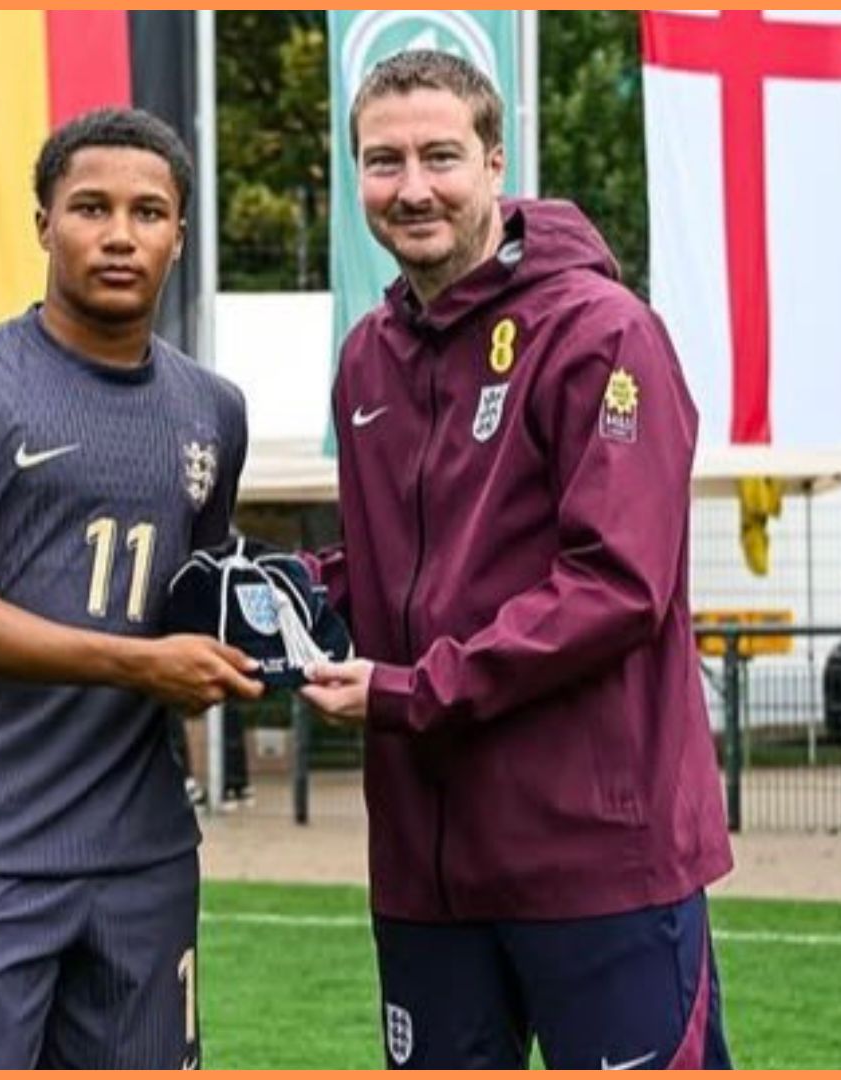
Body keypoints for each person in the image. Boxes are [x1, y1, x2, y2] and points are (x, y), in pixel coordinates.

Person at [297, 51, 734, 1070]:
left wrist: (409, 691)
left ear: (497, 163)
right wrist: (278, 601)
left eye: (440, 156)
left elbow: (617, 587)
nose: (412, 188)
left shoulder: (602, 333)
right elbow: (391, 568)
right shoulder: (367, 356)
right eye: (383, 161)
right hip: (425, 869)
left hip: (598, 862)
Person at [0, 107, 261, 1069]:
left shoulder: (214, 411)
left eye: (148, 212)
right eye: (91, 207)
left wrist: (287, 645)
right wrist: (138, 664)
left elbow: (200, 603)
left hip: (144, 854)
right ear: (43, 222)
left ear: (180, 232)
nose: (120, 235)